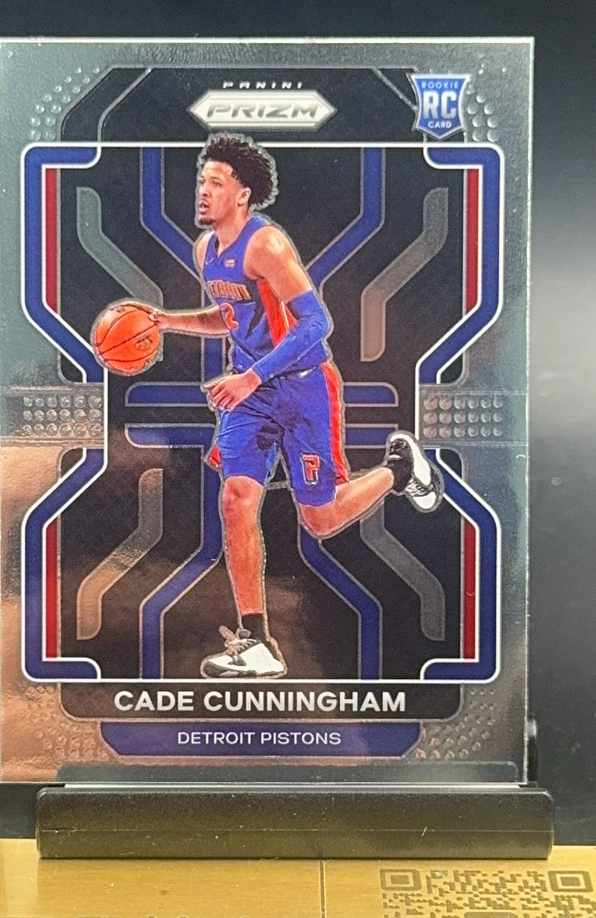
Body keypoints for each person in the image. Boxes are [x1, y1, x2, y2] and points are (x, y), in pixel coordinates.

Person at [139, 133, 443, 678]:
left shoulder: (267, 246)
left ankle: (400, 470)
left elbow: (317, 323)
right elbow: (229, 317)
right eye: (201, 181)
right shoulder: (206, 250)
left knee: (320, 519)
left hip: (303, 388)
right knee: (235, 499)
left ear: (243, 194)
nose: (203, 191)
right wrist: (168, 322)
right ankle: (256, 642)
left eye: (215, 183)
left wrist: (251, 376)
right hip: (251, 396)